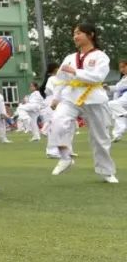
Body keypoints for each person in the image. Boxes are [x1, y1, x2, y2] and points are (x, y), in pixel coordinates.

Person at [48, 22, 117, 182]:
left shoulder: (100, 56)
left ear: (90, 35)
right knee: (57, 121)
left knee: (100, 137)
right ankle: (66, 156)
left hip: (94, 98)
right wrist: (56, 98)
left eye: (79, 33)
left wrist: (76, 72)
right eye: (74, 33)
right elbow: (61, 79)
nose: (75, 36)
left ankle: (106, 171)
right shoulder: (70, 58)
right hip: (71, 96)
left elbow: (98, 77)